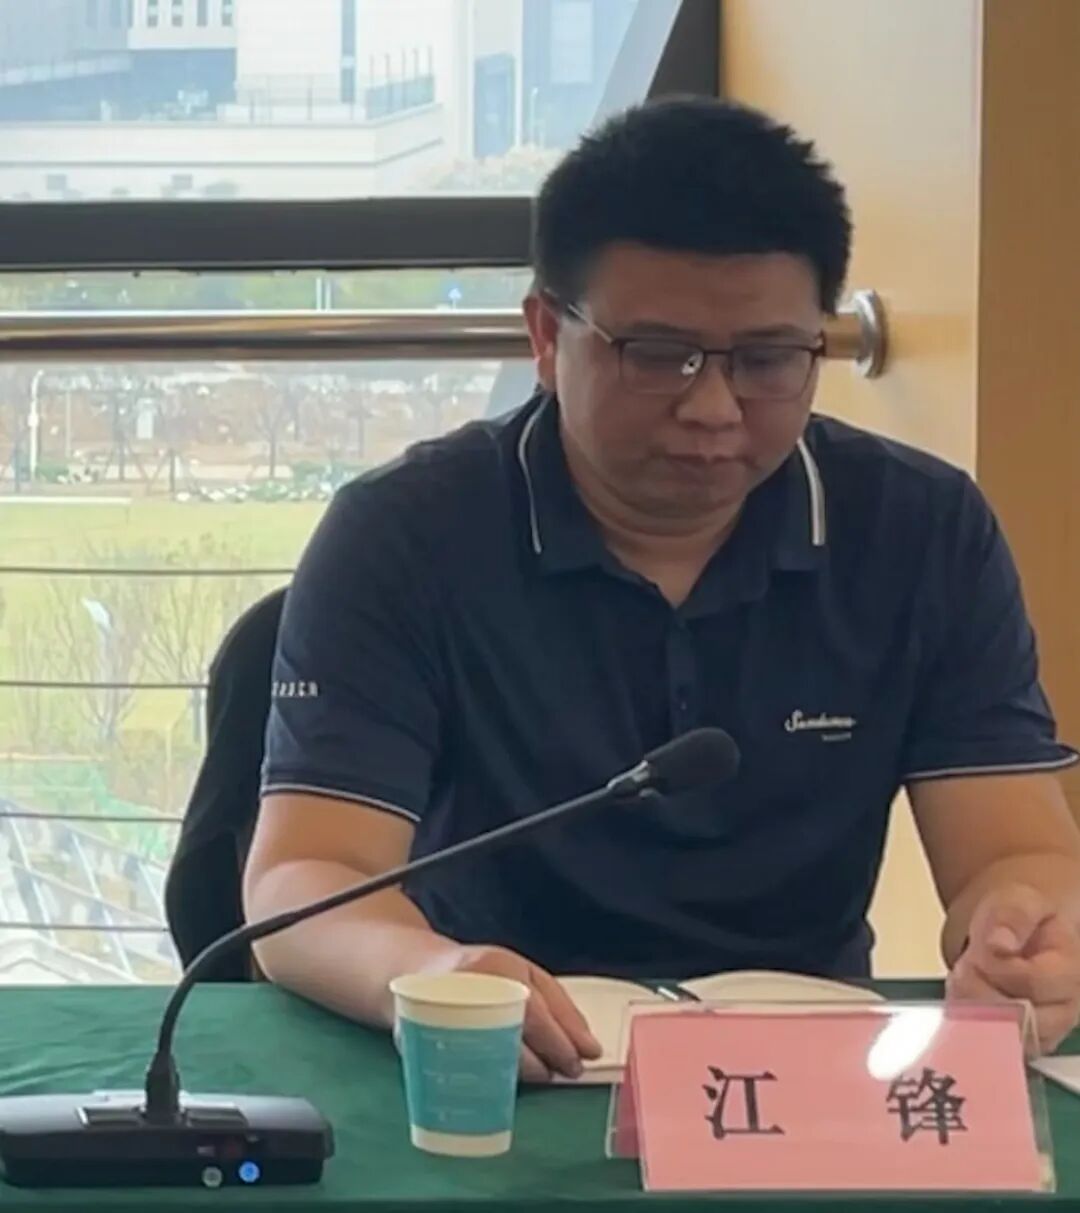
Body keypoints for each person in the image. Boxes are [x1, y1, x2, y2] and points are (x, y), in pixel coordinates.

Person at [246, 98, 1080, 1080]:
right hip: (500, 1055)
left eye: (767, 359)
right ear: (546, 336)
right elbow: (308, 876)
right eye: (658, 356)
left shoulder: (923, 529)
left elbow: (1013, 853)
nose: (713, 407)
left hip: (804, 1071)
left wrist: (1023, 931)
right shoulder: (405, 533)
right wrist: (431, 973)